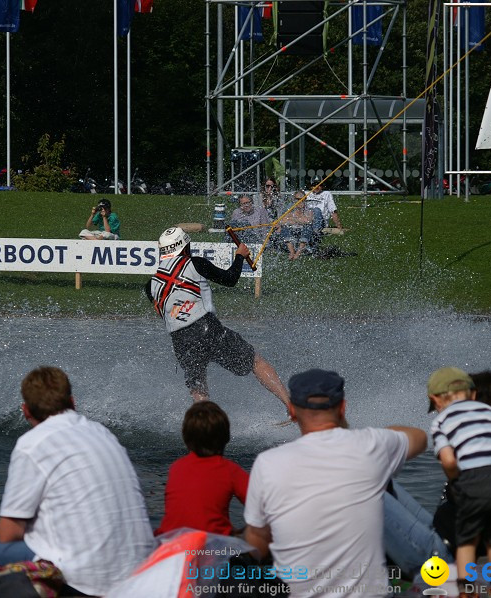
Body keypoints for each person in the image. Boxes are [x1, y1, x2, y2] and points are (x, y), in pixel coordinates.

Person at [0, 367, 153, 596]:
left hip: (83, 578)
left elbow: (8, 533)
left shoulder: (32, 444)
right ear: (72, 402)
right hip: (138, 572)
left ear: (25, 411)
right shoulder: (103, 433)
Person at [243, 368, 427, 598]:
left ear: (291, 412)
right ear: (343, 408)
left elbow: (256, 541)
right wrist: (381, 438)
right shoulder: (369, 446)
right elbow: (420, 438)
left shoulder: (267, 463)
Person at [145, 226, 291, 411]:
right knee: (256, 361)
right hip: (206, 328)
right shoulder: (194, 263)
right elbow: (230, 279)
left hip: (180, 340)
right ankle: (290, 406)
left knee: (199, 389)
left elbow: (164, 312)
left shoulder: (150, 285)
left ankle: (206, 431)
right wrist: (240, 255)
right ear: (184, 247)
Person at [427, 367, 491, 598]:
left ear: (435, 400)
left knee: (467, 541)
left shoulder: (441, 422)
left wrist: (457, 479)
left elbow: (449, 461)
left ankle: (466, 590)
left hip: (474, 483)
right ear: (472, 394)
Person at [156, 401, 248, 536]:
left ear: (185, 437)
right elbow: (264, 509)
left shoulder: (176, 467)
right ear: (226, 437)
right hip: (209, 549)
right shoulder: (229, 470)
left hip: (169, 546)